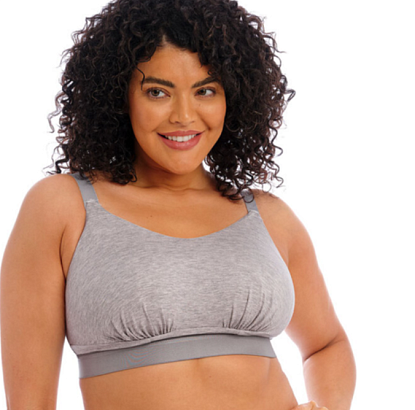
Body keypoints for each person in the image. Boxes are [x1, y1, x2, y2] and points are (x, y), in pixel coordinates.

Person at [0, 0, 356, 409]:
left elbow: (327, 344)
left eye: (205, 90)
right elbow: (30, 403)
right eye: (157, 92)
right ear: (119, 96)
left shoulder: (268, 216)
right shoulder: (62, 208)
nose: (184, 116)